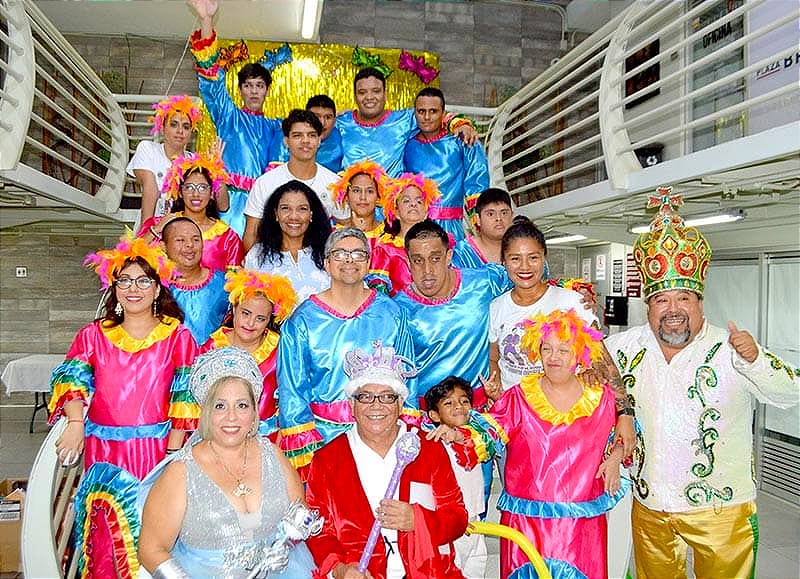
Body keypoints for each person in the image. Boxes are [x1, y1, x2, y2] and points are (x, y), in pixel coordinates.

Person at [603, 191, 799, 579]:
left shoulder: (731, 349)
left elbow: (791, 391)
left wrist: (756, 361)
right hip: (651, 504)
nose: (673, 310)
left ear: (699, 302)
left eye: (684, 298)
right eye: (662, 300)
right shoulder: (621, 348)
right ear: (648, 305)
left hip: (721, 509)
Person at [49, 236, 198, 578]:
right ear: (114, 288)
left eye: (143, 281)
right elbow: (72, 380)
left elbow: (185, 398)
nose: (134, 288)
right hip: (104, 451)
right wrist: (75, 423)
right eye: (125, 281)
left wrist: (172, 455)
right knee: (105, 531)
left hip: (156, 451)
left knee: (155, 532)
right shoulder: (93, 335)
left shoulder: (178, 337)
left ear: (157, 289)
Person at [441, 309, 629, 579]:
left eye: (563, 350)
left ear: (579, 354)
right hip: (527, 523)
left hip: (580, 525)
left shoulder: (601, 398)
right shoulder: (520, 397)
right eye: (546, 349)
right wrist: (459, 436)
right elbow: (489, 432)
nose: (553, 357)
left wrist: (615, 456)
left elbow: (621, 434)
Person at [138, 346, 318, 578]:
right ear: (206, 412)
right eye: (220, 406)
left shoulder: (273, 455)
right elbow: (151, 549)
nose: (231, 417)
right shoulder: (181, 472)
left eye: (242, 405)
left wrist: (285, 547)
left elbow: (301, 517)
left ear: (254, 412)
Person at [305, 342, 468, 579]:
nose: (376, 406)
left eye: (387, 397)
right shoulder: (327, 460)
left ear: (400, 404)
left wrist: (418, 520)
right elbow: (318, 531)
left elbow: (458, 518)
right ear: (352, 404)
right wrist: (340, 569)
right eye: (365, 397)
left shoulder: (428, 448)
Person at [276, 227, 415, 481]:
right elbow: (292, 390)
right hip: (325, 440)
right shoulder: (303, 320)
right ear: (326, 263)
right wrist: (308, 450)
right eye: (340, 254)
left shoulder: (391, 313)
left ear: (369, 263)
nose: (349, 260)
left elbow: (408, 380)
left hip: (382, 434)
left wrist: (405, 433)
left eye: (358, 254)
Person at [188, 0, 283, 236]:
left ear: (267, 90)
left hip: (260, 207)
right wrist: (206, 20)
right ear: (240, 90)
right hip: (225, 204)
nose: (254, 91)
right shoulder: (228, 115)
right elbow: (211, 78)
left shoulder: (276, 127)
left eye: (259, 85)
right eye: (248, 85)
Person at [394, 220, 509, 410]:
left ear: (448, 257)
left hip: (482, 411)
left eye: (435, 258)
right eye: (418, 260)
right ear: (408, 262)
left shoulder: (484, 282)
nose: (427, 270)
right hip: (428, 416)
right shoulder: (399, 310)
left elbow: (528, 281)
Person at [201, 269, 297, 440]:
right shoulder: (212, 347)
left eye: (260, 318)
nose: (251, 323)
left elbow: (289, 400)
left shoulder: (279, 350)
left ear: (269, 320)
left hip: (266, 437)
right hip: (220, 437)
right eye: (245, 313)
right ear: (234, 308)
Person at [336, 67, 478, 177]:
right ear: (355, 96)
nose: (369, 97)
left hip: (392, 204)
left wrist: (459, 124)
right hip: (351, 203)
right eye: (362, 92)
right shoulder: (341, 123)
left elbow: (436, 115)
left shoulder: (404, 120)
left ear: (385, 94)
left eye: (376, 91)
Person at [243, 109, 344, 251]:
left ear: (319, 141)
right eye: (297, 135)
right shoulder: (265, 183)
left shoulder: (334, 184)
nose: (305, 141)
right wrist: (257, 263)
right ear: (286, 141)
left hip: (320, 260)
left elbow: (345, 229)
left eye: (311, 135)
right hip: (273, 261)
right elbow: (251, 234)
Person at [404, 88, 490, 241]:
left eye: (433, 111)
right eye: (421, 111)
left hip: (450, 229)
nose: (427, 117)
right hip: (412, 228)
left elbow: (477, 182)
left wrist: (481, 225)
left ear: (443, 114)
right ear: (414, 113)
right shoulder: (406, 143)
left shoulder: (462, 140)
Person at [423, 377, 487, 579]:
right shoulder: (432, 445)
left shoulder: (477, 439)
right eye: (448, 403)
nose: (458, 406)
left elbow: (493, 433)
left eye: (464, 401)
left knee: (476, 572)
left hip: (475, 525)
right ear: (434, 415)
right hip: (451, 529)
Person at [140, 152, 243, 274]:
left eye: (202, 188)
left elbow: (235, 279)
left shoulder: (227, 236)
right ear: (180, 193)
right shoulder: (159, 224)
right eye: (189, 187)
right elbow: (132, 258)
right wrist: (157, 229)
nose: (196, 194)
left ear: (211, 194)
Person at [244, 180, 332, 303]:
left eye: (302, 209)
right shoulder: (257, 255)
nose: (294, 216)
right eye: (285, 208)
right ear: (276, 214)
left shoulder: (330, 253)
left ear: (311, 214)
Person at [126, 94, 201, 226]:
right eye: (174, 124)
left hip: (183, 231)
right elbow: (151, 188)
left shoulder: (195, 163)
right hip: (151, 227)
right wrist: (147, 231)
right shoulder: (148, 149)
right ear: (162, 128)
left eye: (186, 127)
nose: (180, 131)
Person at [368, 172, 441, 296]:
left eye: (419, 202)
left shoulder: (437, 244)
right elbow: (379, 292)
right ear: (396, 212)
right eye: (406, 201)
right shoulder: (384, 250)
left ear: (425, 213)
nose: (413, 204)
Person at [162, 217, 229, 345]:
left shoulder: (225, 284)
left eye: (196, 239)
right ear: (163, 246)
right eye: (180, 240)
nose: (190, 245)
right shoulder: (155, 286)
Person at [452, 188, 514, 269]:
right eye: (490, 214)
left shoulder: (522, 247)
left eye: (504, 213)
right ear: (478, 219)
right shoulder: (461, 253)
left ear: (512, 216)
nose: (498, 218)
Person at [330, 160, 390, 244]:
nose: (363, 197)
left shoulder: (390, 235)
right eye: (356, 190)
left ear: (378, 197)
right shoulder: (332, 236)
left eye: (369, 191)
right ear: (346, 197)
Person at [306, 94, 343, 173]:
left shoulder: (343, 140)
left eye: (328, 117)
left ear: (334, 120)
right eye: (316, 117)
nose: (322, 123)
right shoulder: (289, 139)